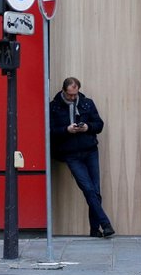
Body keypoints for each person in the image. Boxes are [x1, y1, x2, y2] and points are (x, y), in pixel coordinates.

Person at [49, 77, 115, 238]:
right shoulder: (54, 107)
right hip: (70, 154)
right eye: (70, 95)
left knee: (95, 190)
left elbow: (99, 124)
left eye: (75, 94)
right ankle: (105, 224)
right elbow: (49, 130)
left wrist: (87, 127)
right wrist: (66, 130)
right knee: (88, 188)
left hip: (90, 150)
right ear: (64, 91)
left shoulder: (87, 103)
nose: (73, 98)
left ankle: (94, 230)